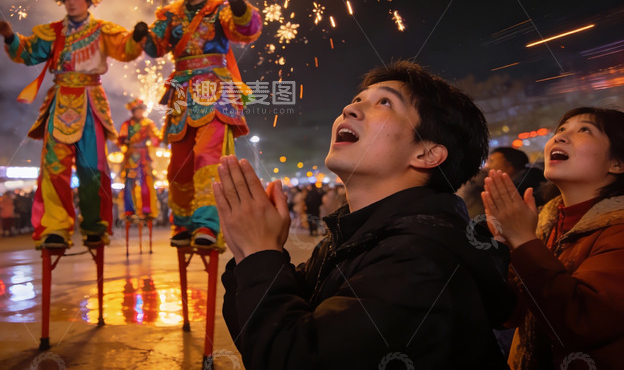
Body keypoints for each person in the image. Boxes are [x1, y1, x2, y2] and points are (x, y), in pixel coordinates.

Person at [215, 60, 513, 369]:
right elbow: (261, 336)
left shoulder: (422, 259)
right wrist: (251, 253)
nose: (349, 109)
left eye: (384, 102)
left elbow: (295, 358)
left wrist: (260, 253)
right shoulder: (354, 237)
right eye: (357, 99)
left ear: (426, 153)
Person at [0, 0, 143, 249]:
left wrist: (136, 37)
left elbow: (125, 49)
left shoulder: (103, 30)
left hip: (91, 102)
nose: (72, 2)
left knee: (93, 169)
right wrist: (11, 37)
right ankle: (55, 227)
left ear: (89, 1)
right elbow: (28, 53)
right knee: (54, 167)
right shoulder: (52, 32)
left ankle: (94, 225)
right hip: (60, 101)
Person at [135, 0, 262, 247]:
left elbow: (245, 30)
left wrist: (236, 0)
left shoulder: (220, 8)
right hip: (181, 93)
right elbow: (156, 47)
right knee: (178, 164)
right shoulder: (169, 14)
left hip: (214, 89)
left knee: (208, 156)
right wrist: (142, 37)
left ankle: (207, 224)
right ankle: (182, 223)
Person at [482, 107, 624, 369]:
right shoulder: (545, 225)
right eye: (561, 130)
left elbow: (583, 323)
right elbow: (510, 315)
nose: (559, 137)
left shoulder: (618, 228)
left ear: (617, 163)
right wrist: (504, 243)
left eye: (584, 130)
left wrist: (523, 241)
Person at [117, 98, 162, 220]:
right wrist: (125, 141)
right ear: (133, 112)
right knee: (130, 181)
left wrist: (162, 134)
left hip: (144, 156)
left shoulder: (148, 123)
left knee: (146, 181)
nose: (140, 113)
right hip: (132, 156)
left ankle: (147, 210)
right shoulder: (127, 124)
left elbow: (156, 139)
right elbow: (120, 139)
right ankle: (129, 210)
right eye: (138, 111)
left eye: (142, 110)